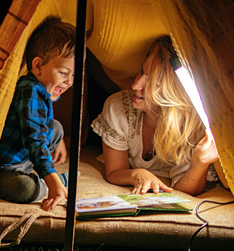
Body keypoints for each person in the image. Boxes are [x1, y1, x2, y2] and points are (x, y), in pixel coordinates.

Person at [91, 36, 219, 196]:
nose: (135, 84)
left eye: (151, 82)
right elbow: (115, 171)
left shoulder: (190, 127)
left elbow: (184, 191)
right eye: (141, 72)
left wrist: (199, 163)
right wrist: (137, 174)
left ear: (174, 91)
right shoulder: (119, 108)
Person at [0, 16, 75, 212]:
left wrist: (59, 140)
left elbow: (42, 123)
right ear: (37, 66)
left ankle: (48, 179)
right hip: (5, 168)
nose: (69, 81)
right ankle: (53, 183)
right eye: (63, 73)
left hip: (25, 159)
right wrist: (50, 176)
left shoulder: (44, 88)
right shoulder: (30, 89)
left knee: (56, 128)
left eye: (73, 75)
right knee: (24, 189)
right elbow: (34, 137)